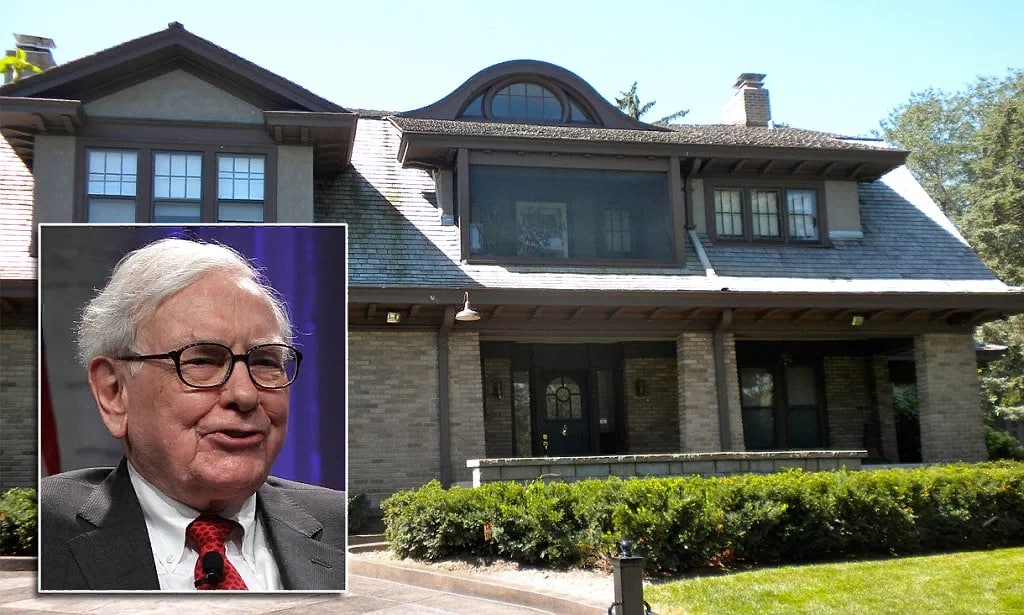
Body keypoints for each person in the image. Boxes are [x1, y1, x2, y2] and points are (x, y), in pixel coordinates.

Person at [39, 237, 346, 592]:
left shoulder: (339, 524)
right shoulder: (46, 530)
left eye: (265, 362)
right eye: (201, 361)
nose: (245, 394)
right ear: (114, 393)